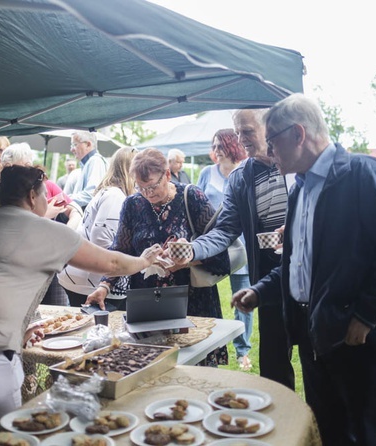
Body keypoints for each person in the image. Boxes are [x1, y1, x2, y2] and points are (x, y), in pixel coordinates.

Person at [0, 165, 161, 446]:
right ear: (31, 195)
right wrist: (144, 260)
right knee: (7, 441)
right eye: (44, 194)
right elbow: (112, 263)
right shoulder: (47, 230)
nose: (48, 200)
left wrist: (19, 329)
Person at [232, 94, 376, 445]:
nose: (269, 151)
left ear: (298, 134)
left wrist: (366, 315)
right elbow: (301, 262)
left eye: (272, 141)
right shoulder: (301, 187)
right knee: (329, 434)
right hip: (316, 335)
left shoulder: (364, 173)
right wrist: (262, 290)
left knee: (369, 436)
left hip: (360, 339)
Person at [172, 110, 295, 388]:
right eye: (237, 132)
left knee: (318, 363)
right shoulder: (240, 177)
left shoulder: (296, 162)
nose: (241, 139)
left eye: (247, 131)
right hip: (268, 281)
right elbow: (225, 229)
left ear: (269, 128)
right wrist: (193, 250)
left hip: (310, 279)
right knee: (274, 367)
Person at [86, 148, 229, 367]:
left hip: (192, 302)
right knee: (149, 367)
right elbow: (121, 250)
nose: (147, 194)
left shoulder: (191, 197)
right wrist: (104, 286)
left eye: (152, 186)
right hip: (147, 303)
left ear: (168, 175)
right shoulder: (133, 205)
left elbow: (218, 248)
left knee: (193, 369)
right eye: (140, 187)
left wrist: (185, 261)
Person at [196, 129, 253, 371]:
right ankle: (207, 346)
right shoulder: (206, 173)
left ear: (231, 146)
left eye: (220, 146)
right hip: (212, 248)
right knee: (207, 297)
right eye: (214, 145)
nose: (216, 151)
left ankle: (243, 351)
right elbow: (196, 208)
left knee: (243, 300)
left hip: (240, 250)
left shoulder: (245, 171)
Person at [0, 142, 80, 306]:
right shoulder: (5, 194)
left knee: (57, 309)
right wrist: (45, 215)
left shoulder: (47, 186)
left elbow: (76, 211)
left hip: (50, 259)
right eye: (23, 165)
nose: (28, 170)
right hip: (23, 266)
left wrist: (66, 233)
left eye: (28, 164)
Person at [58, 147, 137, 309]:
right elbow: (101, 239)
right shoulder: (115, 196)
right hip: (91, 282)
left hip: (86, 279)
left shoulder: (109, 193)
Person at [69, 131, 108, 208]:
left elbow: (91, 194)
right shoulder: (90, 162)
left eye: (75, 144)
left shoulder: (95, 161)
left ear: (88, 144)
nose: (71, 149)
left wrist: (66, 199)